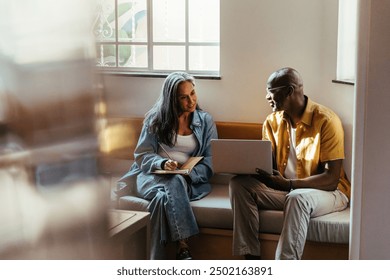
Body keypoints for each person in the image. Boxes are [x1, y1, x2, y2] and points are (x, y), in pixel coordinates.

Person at [229, 67, 351, 260]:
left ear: (289, 91)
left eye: (271, 91)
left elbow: (332, 179)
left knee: (297, 198)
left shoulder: (326, 121)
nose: (267, 96)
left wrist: (290, 185)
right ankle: (251, 259)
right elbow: (267, 166)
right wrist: (244, 167)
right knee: (239, 184)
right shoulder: (272, 122)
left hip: (328, 193)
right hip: (286, 189)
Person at [117, 72, 218, 260]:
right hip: (150, 176)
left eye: (193, 93)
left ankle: (157, 260)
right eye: (183, 97)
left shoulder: (205, 121)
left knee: (162, 198)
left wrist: (190, 173)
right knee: (174, 181)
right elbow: (142, 155)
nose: (191, 101)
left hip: (186, 179)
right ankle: (183, 244)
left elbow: (211, 160)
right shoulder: (155, 120)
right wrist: (162, 162)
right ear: (172, 99)